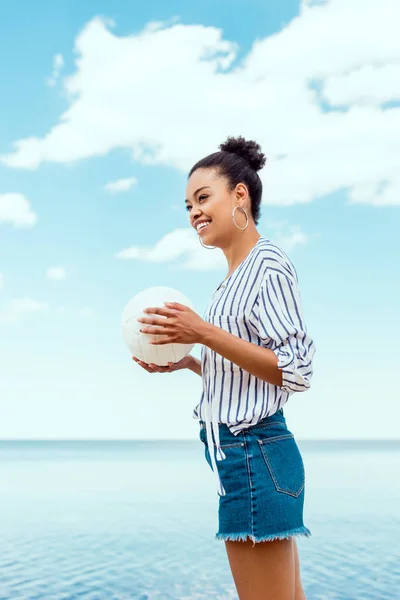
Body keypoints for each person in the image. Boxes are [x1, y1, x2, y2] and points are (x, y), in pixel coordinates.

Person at [133, 135, 316, 600]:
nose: (193, 212)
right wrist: (192, 361)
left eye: (202, 197)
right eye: (187, 205)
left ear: (241, 195)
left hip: (252, 452)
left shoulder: (266, 265)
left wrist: (204, 333)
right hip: (245, 454)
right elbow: (246, 370)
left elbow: (297, 370)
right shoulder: (232, 280)